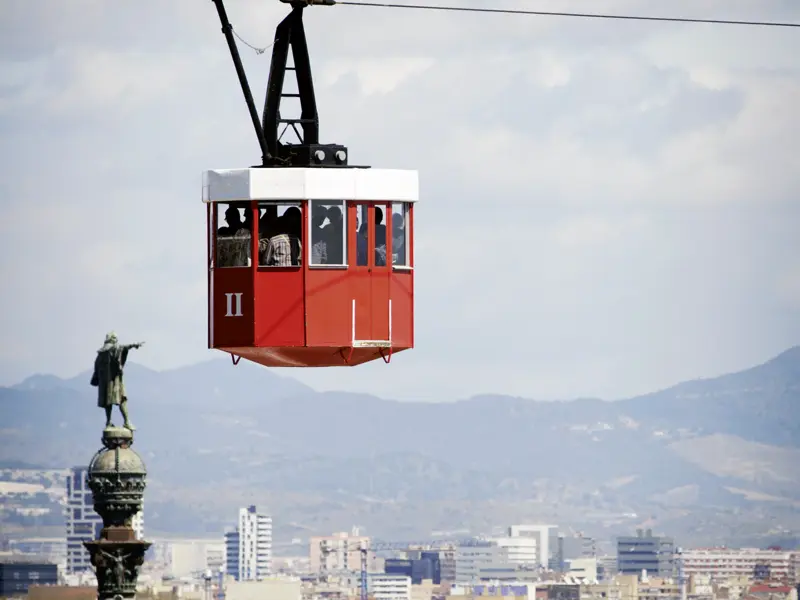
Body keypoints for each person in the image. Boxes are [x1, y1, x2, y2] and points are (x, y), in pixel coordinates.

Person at [90, 332, 144, 431]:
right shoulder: (113, 349)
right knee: (122, 400)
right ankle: (126, 421)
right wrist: (132, 345)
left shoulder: (100, 355)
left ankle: (108, 422)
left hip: (105, 384)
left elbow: (96, 370)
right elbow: (121, 348)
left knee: (108, 403)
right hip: (115, 382)